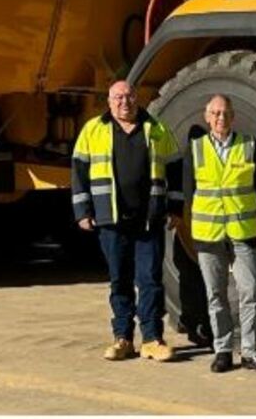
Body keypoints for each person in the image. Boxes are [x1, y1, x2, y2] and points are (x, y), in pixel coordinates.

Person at [72, 80, 182, 362]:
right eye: (118, 97)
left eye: (129, 96)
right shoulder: (93, 130)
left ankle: (152, 339)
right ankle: (122, 338)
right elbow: (79, 172)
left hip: (149, 219)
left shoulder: (156, 128)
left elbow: (176, 168)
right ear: (109, 101)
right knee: (119, 280)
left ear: (137, 98)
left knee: (150, 280)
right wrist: (83, 211)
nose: (125, 102)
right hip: (111, 220)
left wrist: (176, 208)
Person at [178, 94, 256, 374]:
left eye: (225, 113)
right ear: (207, 117)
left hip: (242, 231)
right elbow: (188, 191)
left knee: (251, 290)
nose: (220, 118)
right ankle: (223, 350)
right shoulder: (195, 150)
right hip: (209, 231)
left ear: (233, 117)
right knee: (215, 294)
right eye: (215, 113)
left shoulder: (250, 146)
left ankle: (251, 351)